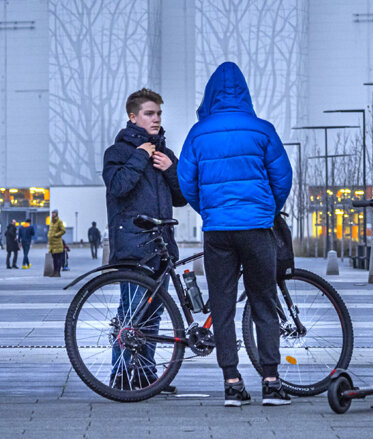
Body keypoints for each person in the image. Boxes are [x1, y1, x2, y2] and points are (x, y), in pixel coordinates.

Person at [178, 62, 293, 406]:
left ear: (210, 94)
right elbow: (283, 177)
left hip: (219, 232)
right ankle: (271, 382)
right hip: (257, 228)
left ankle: (232, 383)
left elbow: (187, 184)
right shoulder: (262, 129)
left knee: (223, 307)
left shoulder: (198, 133)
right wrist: (268, 210)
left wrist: (210, 210)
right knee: (263, 302)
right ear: (244, 91)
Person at [102, 87, 186, 393]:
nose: (156, 119)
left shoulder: (164, 153)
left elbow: (181, 199)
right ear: (133, 116)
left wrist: (171, 170)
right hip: (134, 245)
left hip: (161, 245)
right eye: (150, 113)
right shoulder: (119, 153)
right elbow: (119, 187)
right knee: (131, 314)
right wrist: (140, 156)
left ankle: (147, 375)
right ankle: (122, 375)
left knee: (153, 315)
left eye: (159, 113)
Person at [47, 210, 65, 277]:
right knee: (54, 259)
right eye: (52, 213)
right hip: (52, 244)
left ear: (57, 214)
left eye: (54, 213)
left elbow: (63, 230)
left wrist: (56, 235)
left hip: (57, 244)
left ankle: (58, 272)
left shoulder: (59, 221)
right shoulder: (52, 222)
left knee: (58, 258)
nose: (53, 214)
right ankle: (54, 272)